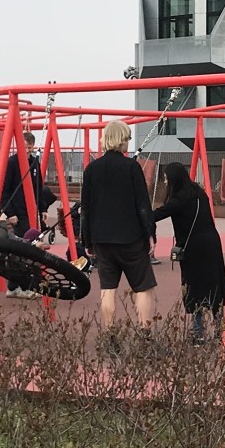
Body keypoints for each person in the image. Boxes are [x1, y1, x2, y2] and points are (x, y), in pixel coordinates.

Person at [79, 120, 157, 327]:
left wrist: (86, 240)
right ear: (122, 139)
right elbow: (142, 204)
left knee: (107, 289)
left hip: (101, 238)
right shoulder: (131, 167)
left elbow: (85, 209)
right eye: (127, 139)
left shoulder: (91, 169)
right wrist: (151, 233)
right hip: (130, 237)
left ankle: (109, 333)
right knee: (143, 287)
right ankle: (144, 332)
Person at [152, 162, 225, 343]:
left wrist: (138, 215)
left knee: (194, 287)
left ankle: (198, 331)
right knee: (215, 284)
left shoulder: (178, 200)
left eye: (166, 178)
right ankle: (220, 328)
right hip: (211, 242)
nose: (165, 181)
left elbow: (158, 214)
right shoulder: (199, 193)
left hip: (193, 246)